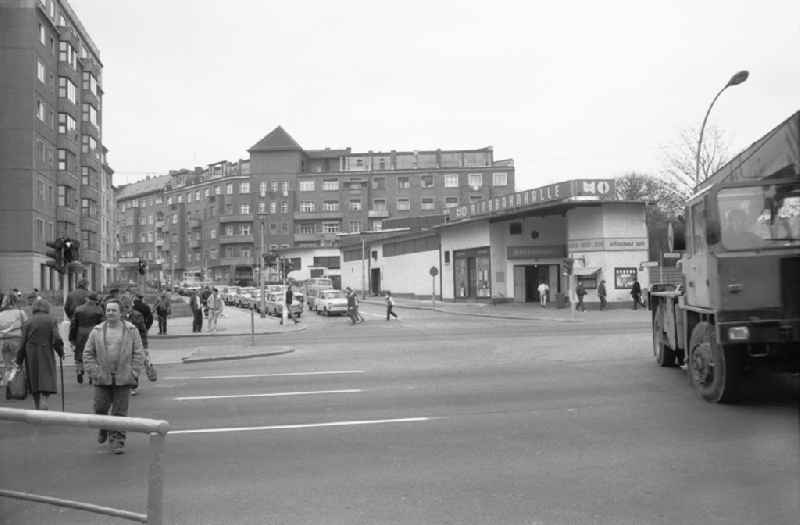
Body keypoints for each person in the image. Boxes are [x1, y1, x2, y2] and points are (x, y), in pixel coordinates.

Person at [83, 299, 145, 454]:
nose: (110, 312)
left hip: (124, 377)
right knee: (100, 408)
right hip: (102, 377)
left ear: (120, 313)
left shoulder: (131, 330)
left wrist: (134, 371)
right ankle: (104, 427)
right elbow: (88, 353)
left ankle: (117, 441)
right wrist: (94, 371)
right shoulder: (97, 331)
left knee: (119, 412)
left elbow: (138, 352)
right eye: (108, 310)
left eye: (113, 310)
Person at [15, 299, 64, 410]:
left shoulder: (28, 322)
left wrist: (19, 359)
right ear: (47, 307)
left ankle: (37, 406)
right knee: (46, 376)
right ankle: (44, 400)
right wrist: (60, 351)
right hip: (46, 350)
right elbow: (56, 338)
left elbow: (22, 343)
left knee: (33, 378)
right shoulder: (51, 320)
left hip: (30, 352)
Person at [69, 293, 104, 384]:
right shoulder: (99, 310)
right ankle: (91, 375)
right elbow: (102, 324)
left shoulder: (78, 309)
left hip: (80, 332)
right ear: (95, 300)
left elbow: (73, 325)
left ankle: (79, 370)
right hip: (94, 332)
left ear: (87, 299)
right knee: (92, 353)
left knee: (79, 352)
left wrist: (71, 338)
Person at [0, 294, 28, 386]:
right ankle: (18, 385)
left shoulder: (1, 315)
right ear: (16, 301)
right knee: (18, 364)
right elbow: (26, 328)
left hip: (4, 341)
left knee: (7, 365)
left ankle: (9, 384)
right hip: (17, 340)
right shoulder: (20, 313)